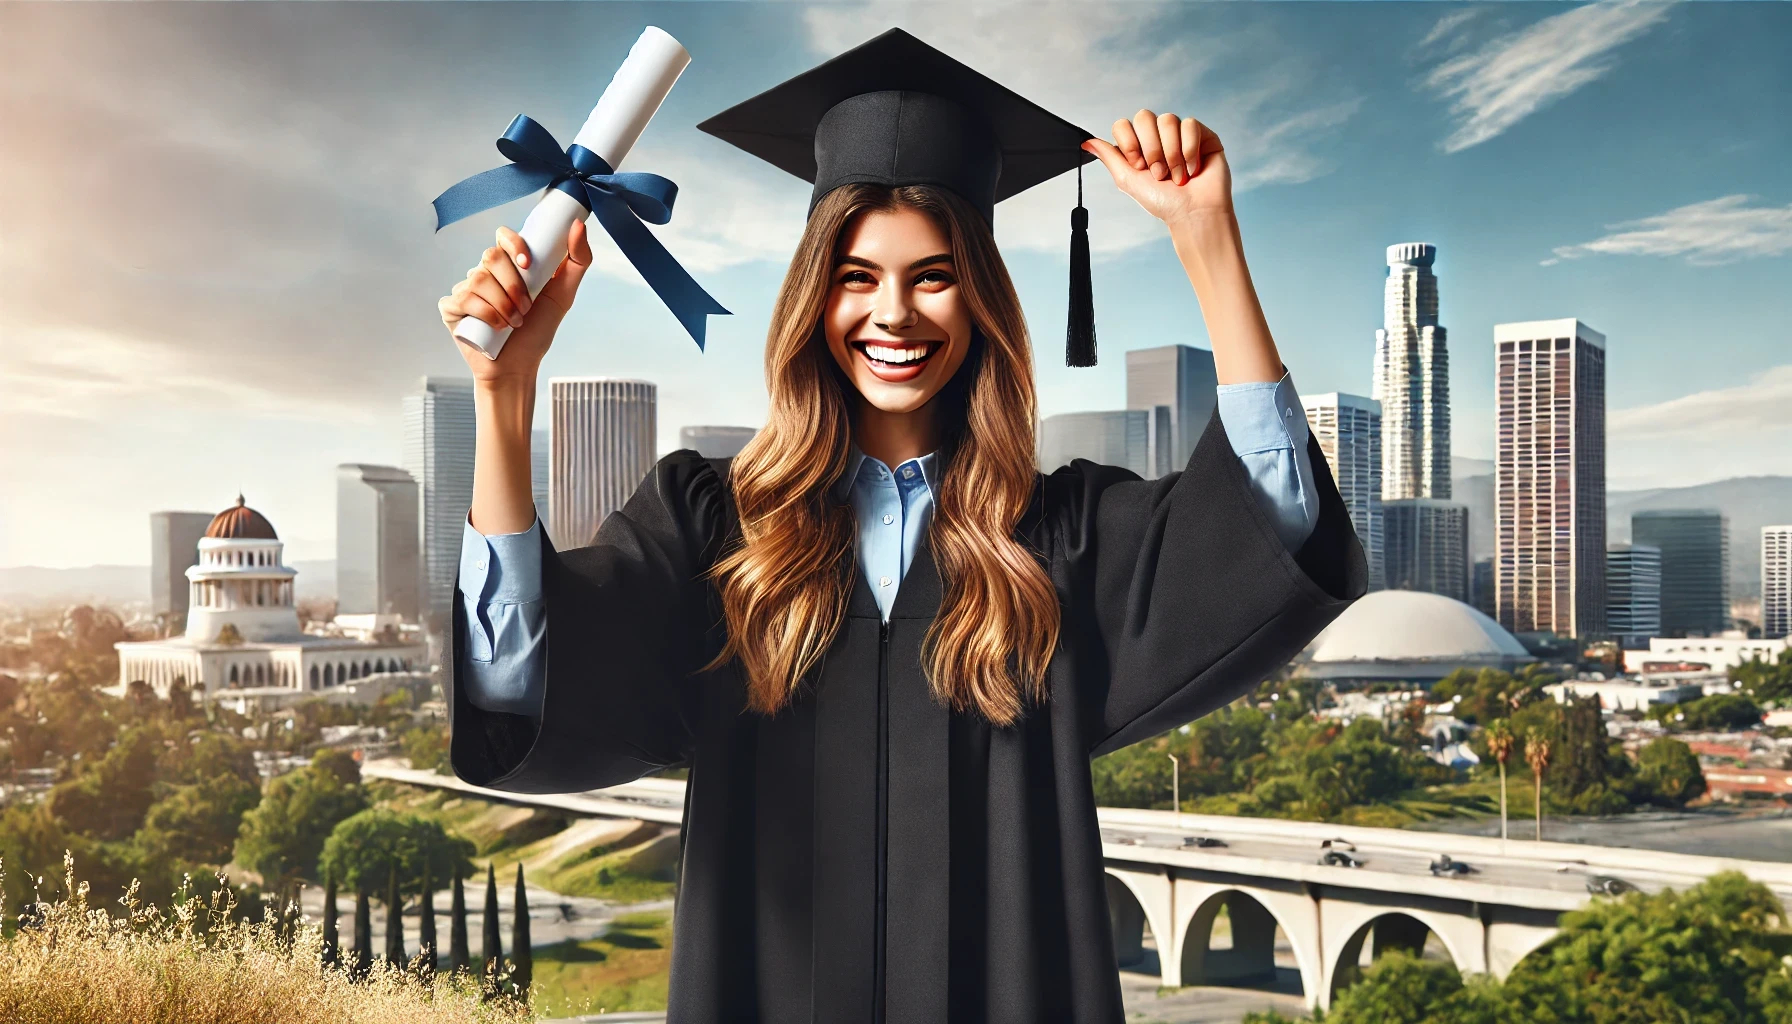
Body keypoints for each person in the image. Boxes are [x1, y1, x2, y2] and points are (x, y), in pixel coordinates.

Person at [436, 28, 1364, 1024]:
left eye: (931, 275)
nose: (894, 314)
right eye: (854, 275)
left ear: (980, 299)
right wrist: (505, 394)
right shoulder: (714, 529)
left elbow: (1267, 528)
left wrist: (1208, 243)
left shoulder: (1055, 539)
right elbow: (515, 676)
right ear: (811, 296)